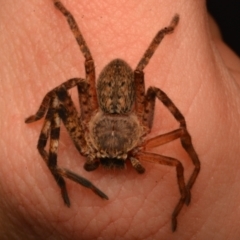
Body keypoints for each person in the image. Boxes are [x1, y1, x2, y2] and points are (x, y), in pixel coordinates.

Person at [0, 0, 239, 239]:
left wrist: (183, 128)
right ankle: (66, 13)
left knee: (143, 78)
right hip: (101, 109)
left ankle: (165, 32)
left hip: (124, 108)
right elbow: (57, 99)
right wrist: (41, 119)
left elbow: (164, 108)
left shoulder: (141, 119)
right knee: (76, 81)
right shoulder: (90, 119)